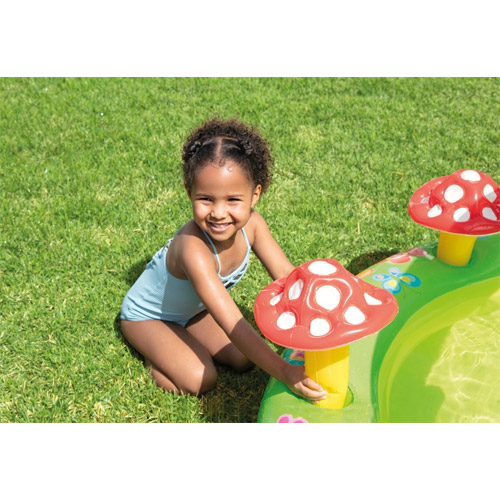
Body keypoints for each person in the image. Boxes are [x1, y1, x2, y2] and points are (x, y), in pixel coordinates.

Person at [120, 117, 326, 403]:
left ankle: (179, 341)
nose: (218, 213)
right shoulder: (193, 250)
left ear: (254, 195)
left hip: (193, 311)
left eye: (232, 200)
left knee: (243, 358)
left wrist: (324, 315)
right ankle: (155, 356)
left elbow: (286, 277)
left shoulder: (254, 225)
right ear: (189, 192)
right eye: (206, 199)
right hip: (149, 317)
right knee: (201, 379)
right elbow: (232, 323)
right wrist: (285, 372)